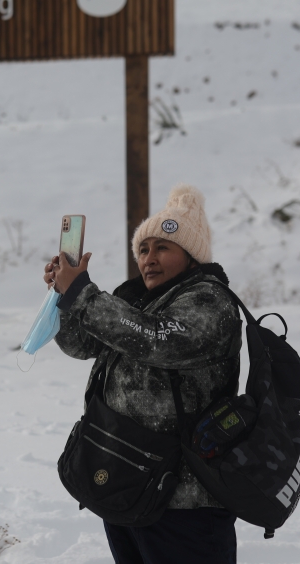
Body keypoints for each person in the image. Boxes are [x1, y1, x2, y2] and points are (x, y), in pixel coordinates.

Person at [43, 184, 241, 564]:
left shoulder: (210, 301)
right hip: (128, 483)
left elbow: (156, 340)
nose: (149, 258)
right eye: (143, 249)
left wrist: (83, 294)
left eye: (163, 248)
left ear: (192, 257)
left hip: (184, 503)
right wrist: (66, 298)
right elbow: (81, 345)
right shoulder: (138, 300)